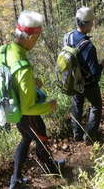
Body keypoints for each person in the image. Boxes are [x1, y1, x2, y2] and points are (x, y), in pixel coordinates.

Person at [7, 10, 64, 189]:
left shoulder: (9, 49)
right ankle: (50, 169)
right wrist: (48, 106)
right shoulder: (23, 67)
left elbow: (14, 79)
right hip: (24, 112)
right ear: (30, 37)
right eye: (37, 38)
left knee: (26, 138)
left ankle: (15, 180)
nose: (36, 42)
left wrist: (31, 83)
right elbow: (28, 107)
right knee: (40, 134)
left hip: (13, 106)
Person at [65, 7, 104, 142]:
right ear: (86, 24)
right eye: (91, 22)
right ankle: (89, 136)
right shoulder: (88, 47)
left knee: (77, 105)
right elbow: (95, 73)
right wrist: (102, 63)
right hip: (88, 84)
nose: (92, 25)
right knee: (96, 106)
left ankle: (76, 134)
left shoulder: (68, 36)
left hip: (73, 79)